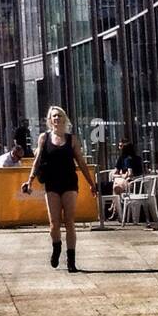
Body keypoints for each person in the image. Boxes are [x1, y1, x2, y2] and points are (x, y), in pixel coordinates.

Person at [22, 106, 98, 271]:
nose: (56, 119)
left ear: (64, 119)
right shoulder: (44, 138)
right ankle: (56, 247)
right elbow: (37, 161)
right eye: (53, 116)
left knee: (69, 221)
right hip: (52, 184)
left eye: (59, 116)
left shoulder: (72, 140)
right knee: (54, 223)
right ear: (50, 120)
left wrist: (91, 183)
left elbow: (81, 163)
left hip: (69, 182)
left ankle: (71, 260)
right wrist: (30, 180)